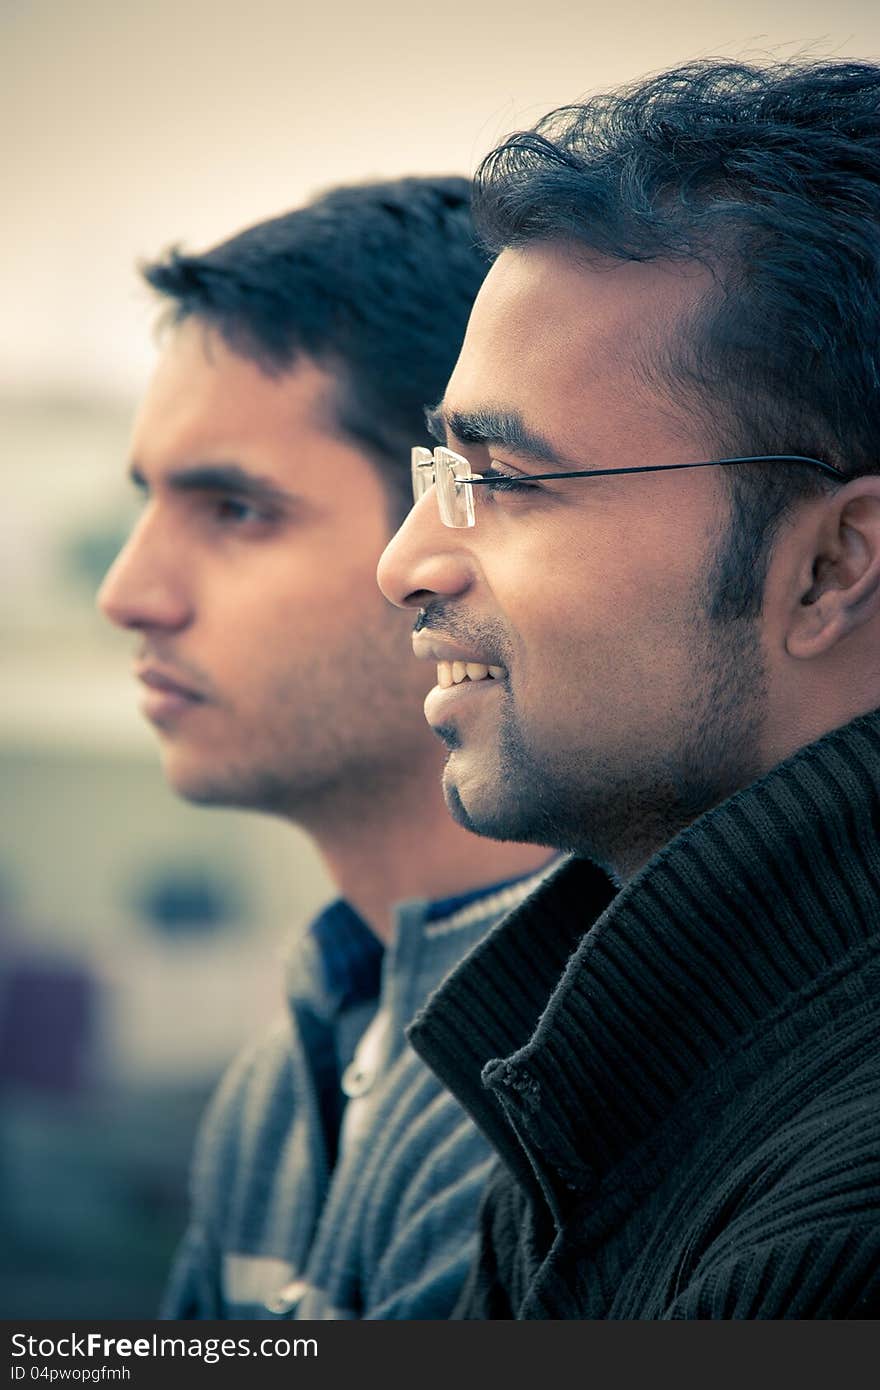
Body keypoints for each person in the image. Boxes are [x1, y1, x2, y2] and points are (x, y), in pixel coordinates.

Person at [378, 61, 880, 1318]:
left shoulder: (834, 1237)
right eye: (443, 470)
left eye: (507, 479)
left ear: (828, 566)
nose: (405, 564)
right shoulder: (608, 1075)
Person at [98, 177, 554, 1319]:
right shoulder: (280, 1077)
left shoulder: (566, 1087)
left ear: (452, 526)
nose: (129, 593)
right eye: (148, 502)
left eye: (235, 511)